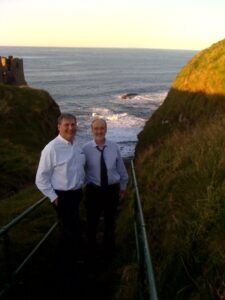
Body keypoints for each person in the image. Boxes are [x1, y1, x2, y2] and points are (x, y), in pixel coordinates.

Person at [35, 113, 85, 289]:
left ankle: (71, 262)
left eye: (73, 124)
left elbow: (79, 168)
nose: (70, 128)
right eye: (66, 125)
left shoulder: (76, 144)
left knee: (73, 228)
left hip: (77, 194)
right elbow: (40, 178)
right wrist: (54, 197)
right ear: (59, 126)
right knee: (70, 231)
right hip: (62, 197)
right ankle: (67, 271)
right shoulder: (51, 148)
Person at [82, 117, 129, 263]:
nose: (99, 131)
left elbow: (121, 168)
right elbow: (79, 170)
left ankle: (109, 253)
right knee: (92, 223)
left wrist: (123, 187)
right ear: (91, 130)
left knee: (110, 222)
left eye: (102, 128)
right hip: (93, 191)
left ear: (106, 129)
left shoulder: (114, 147)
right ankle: (91, 252)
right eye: (96, 128)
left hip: (111, 190)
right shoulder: (85, 149)